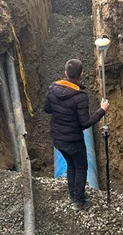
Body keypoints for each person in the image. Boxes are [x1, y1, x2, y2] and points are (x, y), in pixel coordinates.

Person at [44, 58, 109, 211]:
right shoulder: (80, 97)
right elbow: (85, 123)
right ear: (81, 74)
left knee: (71, 164)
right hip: (73, 140)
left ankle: (73, 194)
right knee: (81, 166)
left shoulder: (52, 88)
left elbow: (47, 109)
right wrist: (102, 110)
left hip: (58, 138)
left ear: (65, 73)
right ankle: (78, 201)